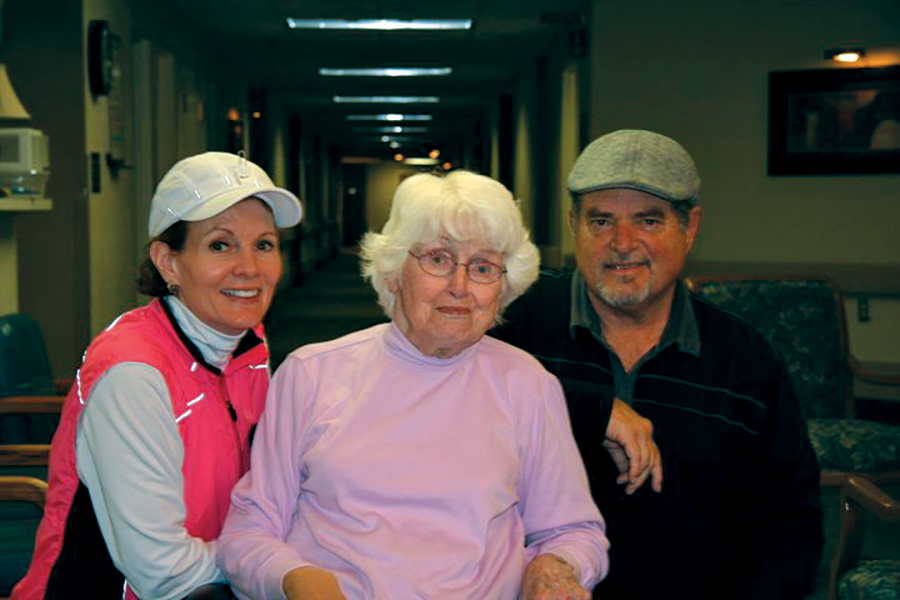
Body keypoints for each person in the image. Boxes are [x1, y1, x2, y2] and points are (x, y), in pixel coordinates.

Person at [215, 170, 609, 599]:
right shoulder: (311, 374)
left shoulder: (527, 384)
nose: (459, 287)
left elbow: (574, 531)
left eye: (483, 267)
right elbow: (248, 531)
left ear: (504, 285)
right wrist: (294, 580)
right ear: (393, 273)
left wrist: (555, 566)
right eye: (438, 259)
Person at [493, 129, 824, 599]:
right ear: (572, 225)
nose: (622, 243)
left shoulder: (745, 361)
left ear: (689, 228)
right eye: (600, 222)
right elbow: (447, 404)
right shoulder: (514, 323)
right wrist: (592, 409)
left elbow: (788, 526)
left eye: (648, 221)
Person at [12, 152, 303, 600]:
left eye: (264, 244)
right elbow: (164, 574)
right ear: (168, 262)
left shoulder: (248, 344)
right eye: (220, 245)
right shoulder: (134, 375)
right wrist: (273, 566)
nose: (250, 268)